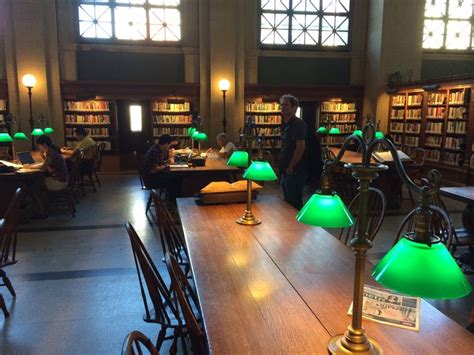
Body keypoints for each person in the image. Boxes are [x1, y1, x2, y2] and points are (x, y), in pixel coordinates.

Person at [278, 94, 307, 210]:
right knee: (287, 203)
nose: (283, 107)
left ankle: (298, 227)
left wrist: (291, 166)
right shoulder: (286, 124)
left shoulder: (298, 124)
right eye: (281, 104)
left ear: (294, 107)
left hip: (295, 171)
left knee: (294, 203)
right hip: (287, 170)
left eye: (286, 104)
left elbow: (300, 148)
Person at [143, 134, 180, 201]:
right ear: (165, 144)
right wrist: (167, 164)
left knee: (175, 177)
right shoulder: (156, 151)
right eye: (169, 145)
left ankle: (172, 201)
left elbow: (158, 163)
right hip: (151, 179)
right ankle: (173, 202)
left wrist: (166, 162)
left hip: (153, 176)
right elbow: (154, 170)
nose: (169, 147)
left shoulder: (157, 148)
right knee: (176, 179)